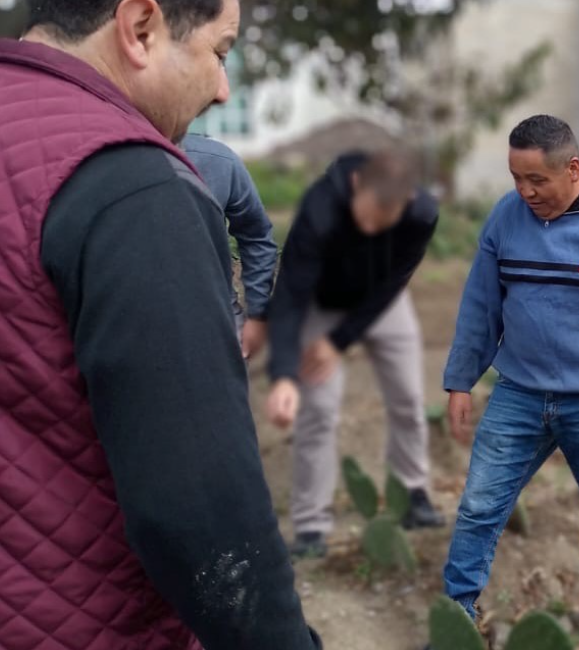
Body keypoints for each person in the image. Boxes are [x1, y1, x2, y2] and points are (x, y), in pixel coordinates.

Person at [0, 1, 320, 649]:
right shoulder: (136, 189)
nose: (222, 88)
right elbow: (203, 513)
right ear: (141, 27)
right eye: (220, 52)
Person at [440, 114, 579, 650]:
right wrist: (460, 380)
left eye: (536, 180)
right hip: (518, 394)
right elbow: (480, 304)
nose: (525, 191)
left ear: (572, 168)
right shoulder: (506, 217)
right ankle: (457, 612)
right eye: (516, 178)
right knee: (478, 505)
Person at [265, 149, 444, 559]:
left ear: (406, 203)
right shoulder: (320, 209)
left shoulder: (421, 215)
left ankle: (412, 493)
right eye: (364, 218)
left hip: (382, 302)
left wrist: (340, 341)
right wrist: (283, 375)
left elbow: (394, 282)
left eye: (380, 224)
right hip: (323, 303)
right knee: (318, 410)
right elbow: (290, 295)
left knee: (409, 398)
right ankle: (311, 525)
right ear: (356, 184)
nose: (368, 229)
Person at [182, 132, 278, 359]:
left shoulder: (217, 161)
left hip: (217, 322)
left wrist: (257, 312)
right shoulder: (110, 161)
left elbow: (256, 235)